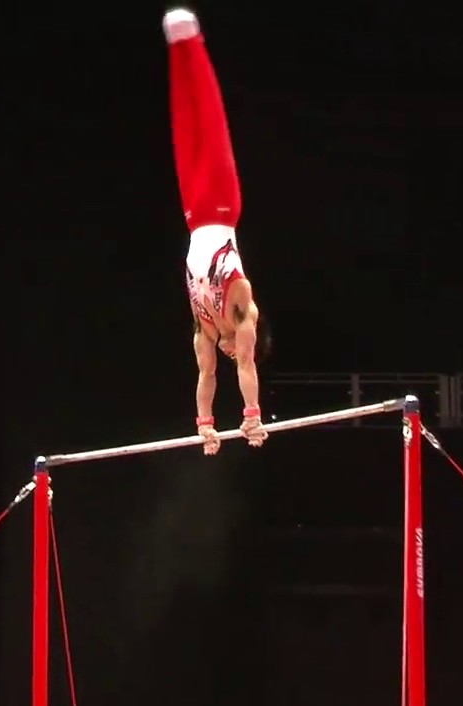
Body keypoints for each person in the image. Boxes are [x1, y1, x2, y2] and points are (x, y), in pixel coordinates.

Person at [164, 8, 268, 456]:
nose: (230, 355)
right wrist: (252, 417)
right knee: (211, 124)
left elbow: (206, 378)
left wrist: (205, 426)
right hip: (223, 206)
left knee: (185, 131)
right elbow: (245, 365)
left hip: (192, 218)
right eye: (239, 351)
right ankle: (195, 43)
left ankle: (175, 48)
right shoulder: (242, 312)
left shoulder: (205, 330)